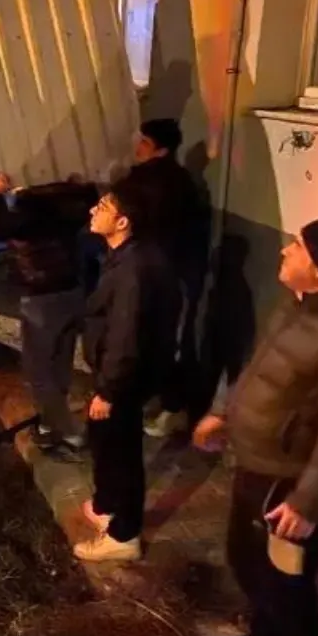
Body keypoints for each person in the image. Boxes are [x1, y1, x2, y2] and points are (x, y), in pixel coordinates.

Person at [194, 219, 318, 636]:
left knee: (289, 588)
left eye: (298, 246)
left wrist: (309, 502)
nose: (286, 249)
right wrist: (224, 412)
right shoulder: (293, 306)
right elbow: (256, 367)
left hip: (286, 484)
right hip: (254, 465)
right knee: (243, 560)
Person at [75, 181, 180, 562]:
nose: (92, 211)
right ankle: (106, 506)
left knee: (121, 451)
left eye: (101, 207)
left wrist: (108, 390)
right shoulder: (127, 256)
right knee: (104, 441)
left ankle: (124, 534)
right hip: (118, 374)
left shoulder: (134, 269)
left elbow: (126, 335)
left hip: (123, 379)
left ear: (122, 221)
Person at [0, 172, 100, 457]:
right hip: (72, 294)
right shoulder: (65, 213)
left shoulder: (26, 218)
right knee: (60, 363)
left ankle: (67, 431)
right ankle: (53, 423)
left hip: (41, 302)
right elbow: (86, 196)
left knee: (39, 372)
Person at [120, 117, 209, 438]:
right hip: (170, 273)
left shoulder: (145, 182)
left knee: (158, 341)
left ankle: (171, 407)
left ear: (161, 148)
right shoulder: (181, 180)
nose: (138, 147)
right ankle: (164, 403)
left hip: (157, 275)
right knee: (160, 340)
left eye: (145, 142)